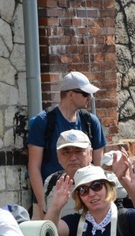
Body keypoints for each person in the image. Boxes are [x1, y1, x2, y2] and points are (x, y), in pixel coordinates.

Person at [27, 71, 107, 217]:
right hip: (50, 197)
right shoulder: (43, 121)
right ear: (70, 94)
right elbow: (34, 167)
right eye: (85, 94)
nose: (89, 98)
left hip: (87, 197)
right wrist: (43, 205)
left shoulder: (91, 122)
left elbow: (99, 165)